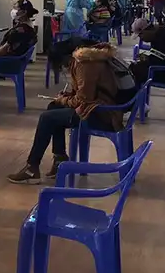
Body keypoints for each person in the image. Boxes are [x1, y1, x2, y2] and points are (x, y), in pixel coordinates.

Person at [7, 41, 122, 184]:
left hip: (101, 114)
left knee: (47, 118)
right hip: (102, 109)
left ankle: (32, 167)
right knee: (53, 107)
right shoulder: (92, 59)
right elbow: (87, 93)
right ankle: (59, 158)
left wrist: (64, 99)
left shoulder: (84, 64)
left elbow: (83, 99)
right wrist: (66, 97)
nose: (63, 69)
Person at [130, 19, 165, 85]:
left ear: (146, 30)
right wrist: (147, 58)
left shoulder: (160, 39)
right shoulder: (160, 32)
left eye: (140, 35)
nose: (141, 38)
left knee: (133, 71)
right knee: (135, 67)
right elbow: (159, 58)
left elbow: (155, 62)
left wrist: (143, 61)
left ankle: (135, 91)